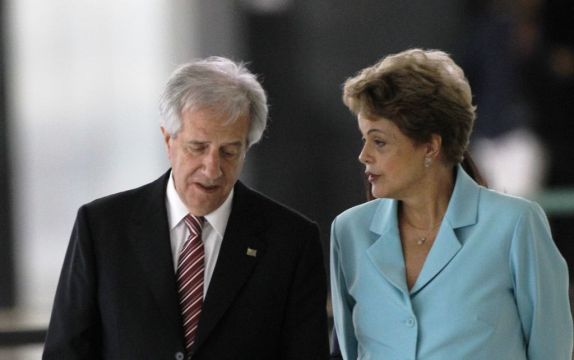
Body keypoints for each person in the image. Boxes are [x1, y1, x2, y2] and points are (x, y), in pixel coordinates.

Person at [43, 56, 329, 359]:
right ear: (168, 140)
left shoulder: (291, 241)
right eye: (198, 147)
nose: (212, 169)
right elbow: (66, 352)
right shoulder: (103, 227)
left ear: (247, 148)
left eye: (229, 151)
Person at [330, 48, 573, 359]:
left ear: (431, 147)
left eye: (379, 141)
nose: (364, 155)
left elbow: (551, 350)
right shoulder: (349, 231)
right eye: (363, 138)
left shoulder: (515, 224)